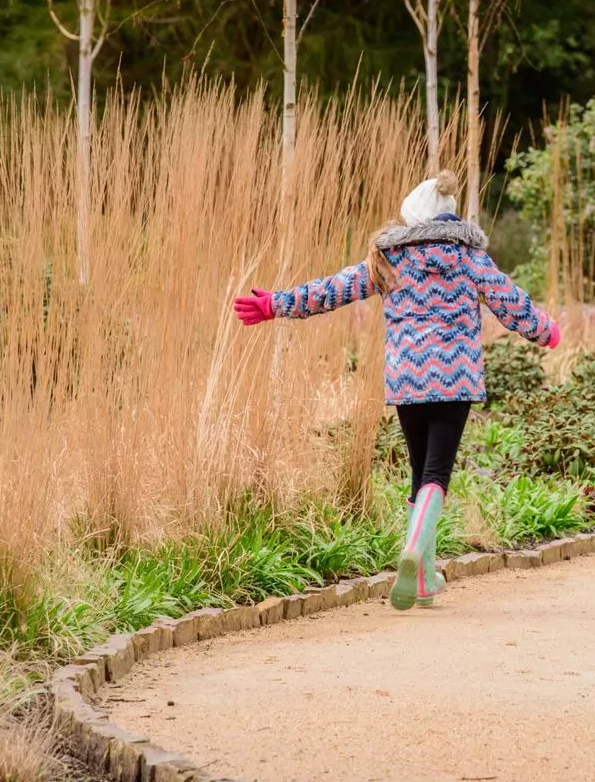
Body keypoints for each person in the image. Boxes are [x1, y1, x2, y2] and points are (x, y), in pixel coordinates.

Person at [232, 171, 560, 611]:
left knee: (418, 471)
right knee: (437, 475)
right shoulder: (468, 259)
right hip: (455, 378)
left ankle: (423, 579)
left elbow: (333, 289)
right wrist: (546, 332)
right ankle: (415, 556)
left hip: (406, 379)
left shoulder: (388, 260)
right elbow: (510, 301)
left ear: (409, 219)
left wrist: (276, 304)